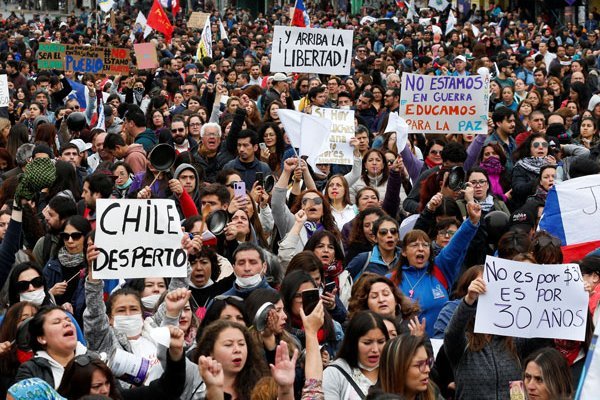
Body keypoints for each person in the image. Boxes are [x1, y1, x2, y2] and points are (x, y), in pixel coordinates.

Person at [389, 200, 480, 337]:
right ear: (403, 252)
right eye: (414, 245)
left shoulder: (440, 269)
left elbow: (455, 247)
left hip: (439, 347)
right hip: (405, 350)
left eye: (425, 245)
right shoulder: (390, 280)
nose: (421, 249)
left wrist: (471, 222)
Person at [57, 326, 187, 400]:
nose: (104, 390)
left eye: (107, 383)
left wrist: (175, 353)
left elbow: (168, 389)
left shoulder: (120, 397)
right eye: (96, 386)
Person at [15, 306, 89, 389]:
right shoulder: (30, 370)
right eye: (57, 322)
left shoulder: (94, 360)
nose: (67, 323)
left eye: (68, 320)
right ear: (42, 338)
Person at [195, 320, 269, 400]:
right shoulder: (197, 388)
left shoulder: (261, 386)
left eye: (241, 344)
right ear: (211, 351)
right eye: (228, 345)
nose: (237, 350)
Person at [323, 311, 389, 399]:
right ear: (353, 343)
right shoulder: (334, 374)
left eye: (381, 342)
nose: (375, 350)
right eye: (367, 343)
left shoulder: (394, 370)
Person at [43, 215, 91, 322]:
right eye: (66, 236)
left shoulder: (92, 263)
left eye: (76, 236)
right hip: (56, 322)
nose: (70, 241)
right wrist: (51, 293)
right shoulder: (53, 264)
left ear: (86, 237)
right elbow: (39, 296)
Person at [378, 334, 437, 400]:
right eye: (419, 364)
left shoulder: (434, 394)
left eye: (428, 363)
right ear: (398, 368)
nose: (427, 369)